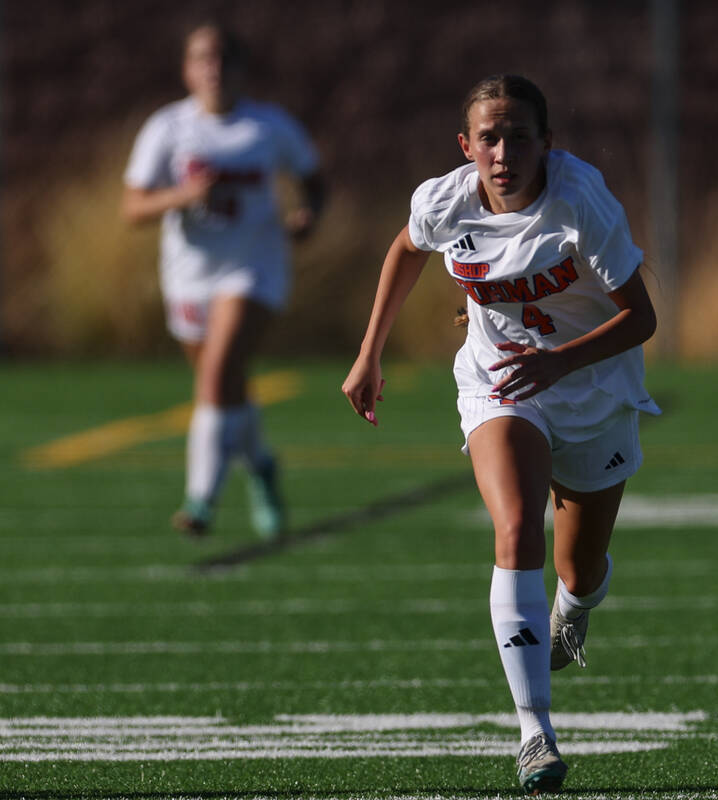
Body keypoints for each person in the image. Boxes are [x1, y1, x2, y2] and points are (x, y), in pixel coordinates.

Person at [341, 74, 659, 795]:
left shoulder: (581, 202)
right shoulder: (446, 199)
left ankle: (572, 609)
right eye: (489, 137)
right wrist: (370, 352)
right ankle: (535, 734)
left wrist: (562, 361)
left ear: (548, 143)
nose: (503, 151)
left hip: (595, 391)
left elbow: (642, 319)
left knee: (578, 569)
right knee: (517, 528)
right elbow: (405, 248)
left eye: (518, 136)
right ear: (466, 145)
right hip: (500, 384)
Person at [122, 22, 325, 539]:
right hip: (189, 274)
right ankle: (261, 467)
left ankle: (200, 501)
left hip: (254, 267)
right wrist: (181, 197)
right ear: (187, 69)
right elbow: (133, 207)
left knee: (217, 376)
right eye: (202, 58)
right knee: (226, 386)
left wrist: (307, 215)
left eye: (223, 58)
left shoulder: (268, 125)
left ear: (240, 69)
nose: (213, 68)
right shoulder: (167, 127)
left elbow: (313, 180)